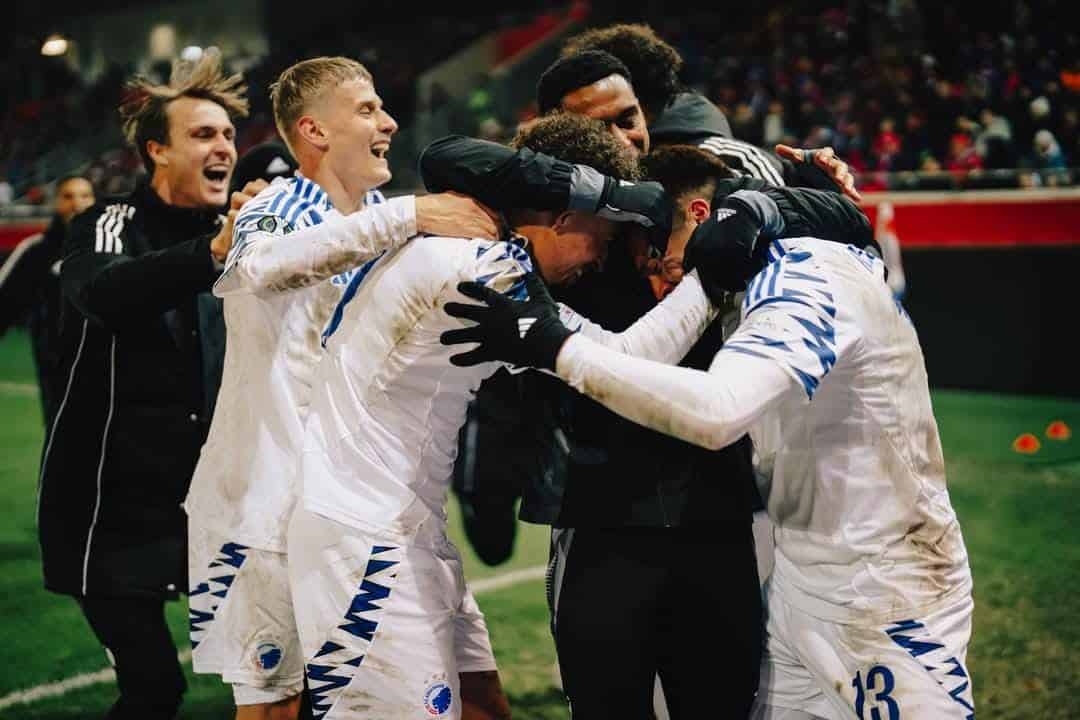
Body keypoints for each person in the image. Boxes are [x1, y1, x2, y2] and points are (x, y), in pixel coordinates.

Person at [440, 175, 976, 720]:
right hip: (803, 587)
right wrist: (551, 334)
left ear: (705, 219)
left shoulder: (807, 278)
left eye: (656, 251)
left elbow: (719, 411)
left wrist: (557, 350)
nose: (653, 268)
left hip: (886, 593)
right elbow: (629, 354)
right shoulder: (748, 279)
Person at [286, 112, 717, 720]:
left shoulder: (464, 241)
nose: (600, 258)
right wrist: (713, 278)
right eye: (601, 234)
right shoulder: (484, 265)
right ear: (566, 217)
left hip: (400, 523)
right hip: (361, 534)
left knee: (482, 707)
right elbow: (626, 363)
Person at [184, 56, 502, 720]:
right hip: (265, 511)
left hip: (378, 513)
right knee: (278, 708)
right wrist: (411, 215)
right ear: (314, 130)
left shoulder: (400, 219)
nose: (388, 121)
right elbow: (267, 269)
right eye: (366, 109)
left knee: (477, 695)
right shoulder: (270, 207)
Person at [37, 51, 249, 720]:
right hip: (107, 512)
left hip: (213, 512)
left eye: (228, 136)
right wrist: (210, 254)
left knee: (283, 682)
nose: (224, 148)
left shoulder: (242, 238)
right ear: (156, 149)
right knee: (154, 690)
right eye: (202, 134)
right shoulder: (106, 224)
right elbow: (103, 292)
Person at [0, 174, 95, 428]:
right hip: (57, 368)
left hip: (111, 366)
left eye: (85, 196)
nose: (77, 203)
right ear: (55, 203)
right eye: (68, 196)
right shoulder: (37, 251)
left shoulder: (116, 247)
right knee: (63, 444)